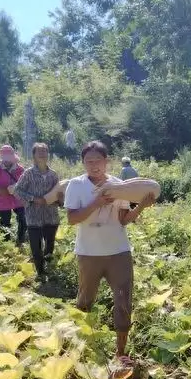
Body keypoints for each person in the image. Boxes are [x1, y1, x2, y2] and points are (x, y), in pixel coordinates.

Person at [64, 141, 156, 364]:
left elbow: (123, 220)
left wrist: (141, 206)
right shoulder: (76, 185)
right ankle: (80, 346)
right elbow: (71, 219)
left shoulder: (119, 186)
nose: (94, 165)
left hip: (118, 251)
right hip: (89, 252)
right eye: (89, 161)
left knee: (124, 299)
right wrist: (96, 203)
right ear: (83, 163)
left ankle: (120, 353)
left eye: (98, 161)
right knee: (85, 299)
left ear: (107, 161)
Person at [12, 142, 60, 282]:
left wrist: (59, 199)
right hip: (33, 216)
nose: (42, 154)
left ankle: (48, 269)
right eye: (39, 152)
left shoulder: (53, 174)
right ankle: (40, 272)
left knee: (50, 244)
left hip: (51, 215)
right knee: (36, 246)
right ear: (33, 155)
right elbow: (17, 190)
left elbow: (58, 192)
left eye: (45, 151)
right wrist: (33, 199)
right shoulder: (28, 173)